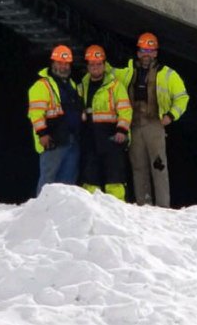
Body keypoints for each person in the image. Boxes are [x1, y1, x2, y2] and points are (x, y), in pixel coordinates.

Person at [118, 32, 188, 207]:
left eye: (150, 50)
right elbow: (107, 75)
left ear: (156, 52)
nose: (146, 54)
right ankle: (144, 205)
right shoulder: (128, 71)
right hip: (134, 125)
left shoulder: (167, 74)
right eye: (143, 50)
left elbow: (182, 97)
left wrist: (171, 116)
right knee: (138, 167)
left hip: (154, 124)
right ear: (138, 52)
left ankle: (163, 207)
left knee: (159, 166)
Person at [77, 44, 132, 200]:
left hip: (112, 138)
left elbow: (125, 110)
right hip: (91, 139)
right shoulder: (82, 87)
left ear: (104, 65)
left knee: (114, 180)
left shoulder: (115, 86)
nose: (95, 67)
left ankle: (118, 213)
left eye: (98, 64)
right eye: (92, 64)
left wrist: (121, 131)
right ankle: (92, 213)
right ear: (87, 66)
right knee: (90, 180)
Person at [27, 44, 83, 194]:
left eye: (65, 63)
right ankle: (43, 213)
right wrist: (42, 134)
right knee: (48, 182)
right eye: (59, 63)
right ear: (52, 63)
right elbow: (36, 113)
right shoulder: (42, 85)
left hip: (71, 139)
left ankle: (63, 215)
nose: (62, 67)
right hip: (53, 141)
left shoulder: (71, 85)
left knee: (68, 184)